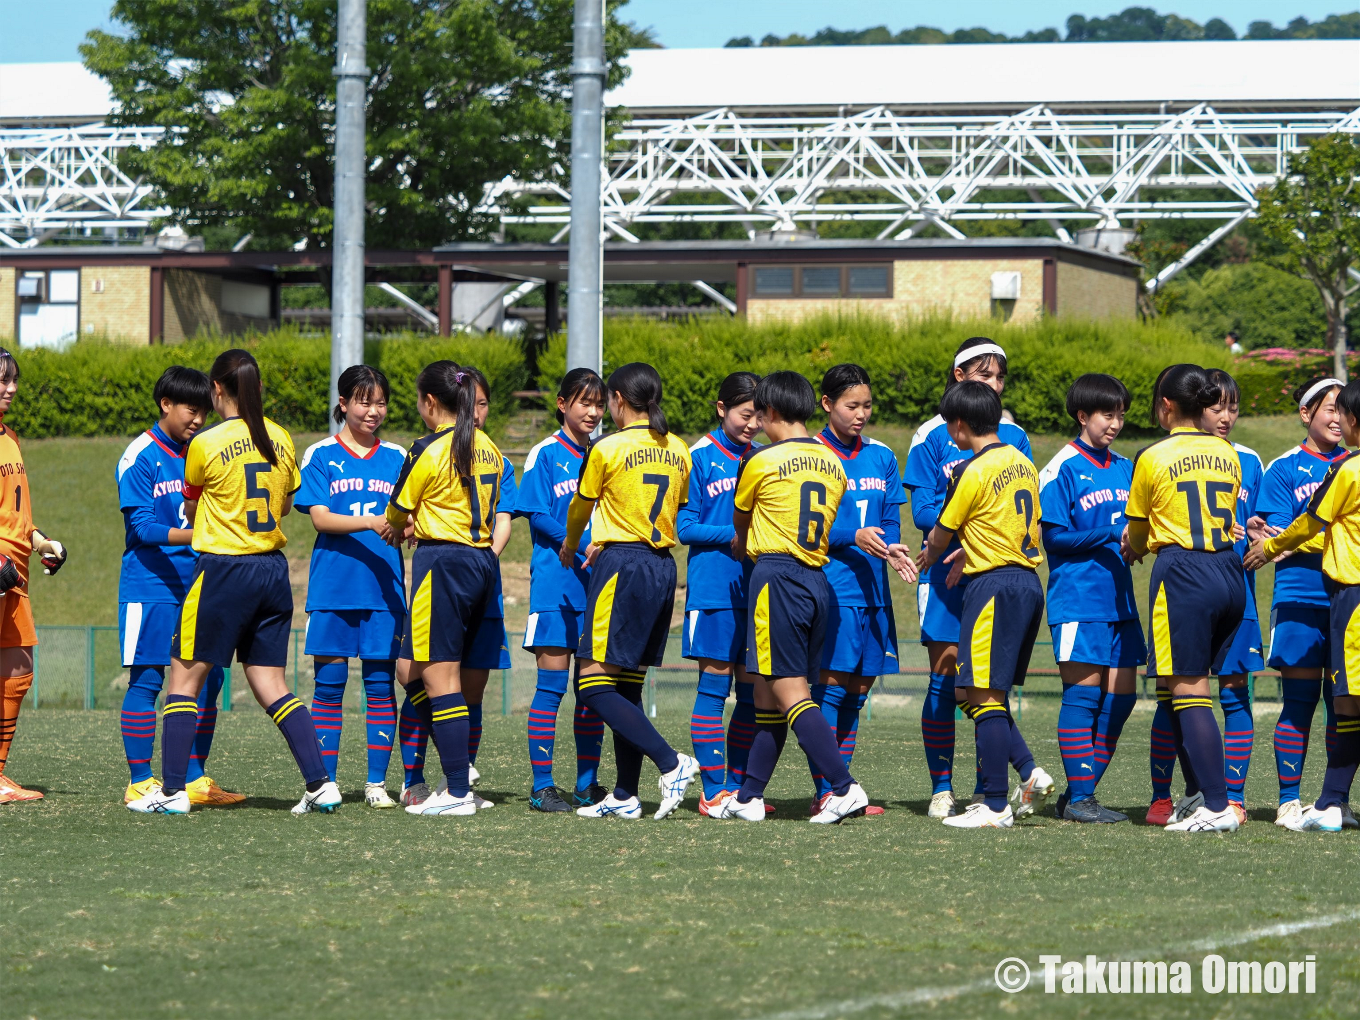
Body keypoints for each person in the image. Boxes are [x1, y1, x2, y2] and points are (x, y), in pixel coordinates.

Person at [128, 349, 335, 816]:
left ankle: (172, 792)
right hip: (273, 570)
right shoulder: (281, 438)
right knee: (272, 684)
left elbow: (191, 507)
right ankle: (321, 784)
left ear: (218, 389)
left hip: (223, 570)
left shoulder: (208, 442)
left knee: (182, 679)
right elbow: (282, 507)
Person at [715, 370, 875, 824]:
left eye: (759, 414)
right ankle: (749, 796)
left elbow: (741, 529)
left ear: (770, 412)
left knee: (790, 694)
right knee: (768, 697)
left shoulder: (760, 461)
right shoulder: (832, 463)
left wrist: (745, 546)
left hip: (777, 578)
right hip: (817, 582)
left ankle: (843, 788)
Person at [902, 381, 1053, 828]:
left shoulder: (975, 468)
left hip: (993, 586)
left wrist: (932, 551)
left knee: (982, 695)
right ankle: (1028, 771)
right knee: (973, 691)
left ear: (960, 425)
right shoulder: (1021, 462)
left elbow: (943, 527)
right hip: (1026, 582)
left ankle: (992, 805)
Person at [559, 362, 699, 820]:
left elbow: (582, 506)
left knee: (592, 684)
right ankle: (624, 795)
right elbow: (673, 508)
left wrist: (569, 544)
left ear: (618, 399)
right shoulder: (678, 447)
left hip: (621, 565)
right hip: (661, 567)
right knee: (627, 685)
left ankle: (670, 761)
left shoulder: (607, 447)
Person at [1121, 363, 1244, 834]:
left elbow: (1137, 527)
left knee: (1190, 691)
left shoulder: (1152, 455)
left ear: (1167, 405)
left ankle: (1217, 805)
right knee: (1177, 690)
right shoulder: (1227, 452)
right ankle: (1197, 798)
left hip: (1184, 572)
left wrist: (1136, 541)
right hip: (1227, 570)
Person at [116, 366, 242, 807]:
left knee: (207, 680)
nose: (198, 420)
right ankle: (140, 780)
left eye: (205, 412)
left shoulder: (202, 451)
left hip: (199, 583)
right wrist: (203, 534)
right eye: (191, 410)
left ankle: (194, 779)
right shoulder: (139, 455)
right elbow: (142, 528)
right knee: (148, 679)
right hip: (149, 585)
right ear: (165, 404)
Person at [395, 365, 514, 809]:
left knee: (436, 677)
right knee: (438, 677)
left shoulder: (426, 447)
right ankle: (458, 784)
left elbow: (398, 508)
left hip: (441, 561)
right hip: (484, 561)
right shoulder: (489, 446)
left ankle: (457, 791)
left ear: (430, 402)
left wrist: (395, 529)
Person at [1246, 379, 1360, 831]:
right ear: (1305, 414)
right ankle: (1290, 801)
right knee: (1299, 703)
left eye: (1342, 409)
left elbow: (1291, 535)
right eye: (1327, 408)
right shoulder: (1284, 469)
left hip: (1344, 600)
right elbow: (1271, 534)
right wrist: (1278, 542)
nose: (1336, 417)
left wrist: (1288, 541)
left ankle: (1336, 800)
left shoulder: (1348, 467)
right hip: (1300, 599)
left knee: (1343, 704)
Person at [295, 365, 407, 809]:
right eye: (363, 401)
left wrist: (409, 527)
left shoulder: (399, 456)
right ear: (343, 403)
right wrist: (372, 521)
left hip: (385, 589)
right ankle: (326, 784)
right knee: (329, 684)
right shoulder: (320, 454)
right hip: (333, 587)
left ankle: (377, 785)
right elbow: (320, 517)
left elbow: (412, 517)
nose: (373, 411)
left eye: (380, 402)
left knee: (380, 684)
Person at [1038, 374, 1140, 823]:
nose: (1115, 423)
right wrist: (1110, 534)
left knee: (1121, 699)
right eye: (1106, 414)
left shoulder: (1125, 466)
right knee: (1083, 698)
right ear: (1083, 416)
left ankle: (1081, 793)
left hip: (1121, 600)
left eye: (1120, 414)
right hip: (1078, 599)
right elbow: (1054, 539)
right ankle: (1081, 799)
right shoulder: (1060, 468)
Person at [809, 364, 904, 817]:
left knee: (859, 690)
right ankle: (827, 790)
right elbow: (799, 527)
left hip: (875, 590)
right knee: (831, 687)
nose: (861, 414)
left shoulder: (883, 456)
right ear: (827, 405)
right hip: (832, 588)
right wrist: (851, 536)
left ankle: (843, 788)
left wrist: (892, 548)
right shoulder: (810, 455)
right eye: (852, 405)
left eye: (866, 405)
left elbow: (888, 522)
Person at [515, 367, 608, 813]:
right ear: (562, 404)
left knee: (593, 691)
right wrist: (580, 543)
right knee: (551, 687)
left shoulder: (605, 453)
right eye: (584, 403)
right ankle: (542, 786)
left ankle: (587, 787)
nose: (592, 412)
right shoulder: (545, 454)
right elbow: (535, 513)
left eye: (599, 404)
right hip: (557, 583)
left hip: (599, 588)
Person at [677, 371, 763, 817]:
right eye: (745, 415)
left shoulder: (767, 458)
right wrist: (735, 534)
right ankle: (712, 791)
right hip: (713, 589)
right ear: (721, 409)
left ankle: (737, 789)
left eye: (759, 416)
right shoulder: (699, 456)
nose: (753, 424)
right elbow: (683, 526)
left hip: (760, 590)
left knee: (750, 696)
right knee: (714, 688)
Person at [0, 348, 66, 805]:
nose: (10, 388)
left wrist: (44, 543)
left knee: (19, 669)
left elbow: (16, 513)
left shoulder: (10, 437)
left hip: (15, 569)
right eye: (1, 380)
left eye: (13, 380)